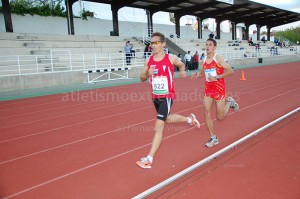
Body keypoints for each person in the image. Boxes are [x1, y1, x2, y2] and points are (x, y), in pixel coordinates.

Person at [136, 32, 201, 169]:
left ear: (163, 44)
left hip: (167, 96)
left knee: (158, 127)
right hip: (155, 97)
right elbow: (141, 78)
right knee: (168, 119)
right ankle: (190, 119)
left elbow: (181, 64)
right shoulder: (148, 61)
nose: (153, 45)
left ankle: (149, 159)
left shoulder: (171, 58)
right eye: (152, 43)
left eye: (156, 43)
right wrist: (147, 74)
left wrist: (182, 71)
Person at [191, 38, 239, 147]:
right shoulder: (203, 60)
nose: (207, 46)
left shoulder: (217, 58)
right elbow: (203, 73)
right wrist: (198, 75)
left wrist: (217, 77)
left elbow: (230, 71)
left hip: (219, 89)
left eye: (210, 45)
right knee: (206, 113)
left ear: (214, 47)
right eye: (206, 45)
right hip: (208, 89)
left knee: (219, 117)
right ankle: (213, 137)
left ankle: (229, 103)